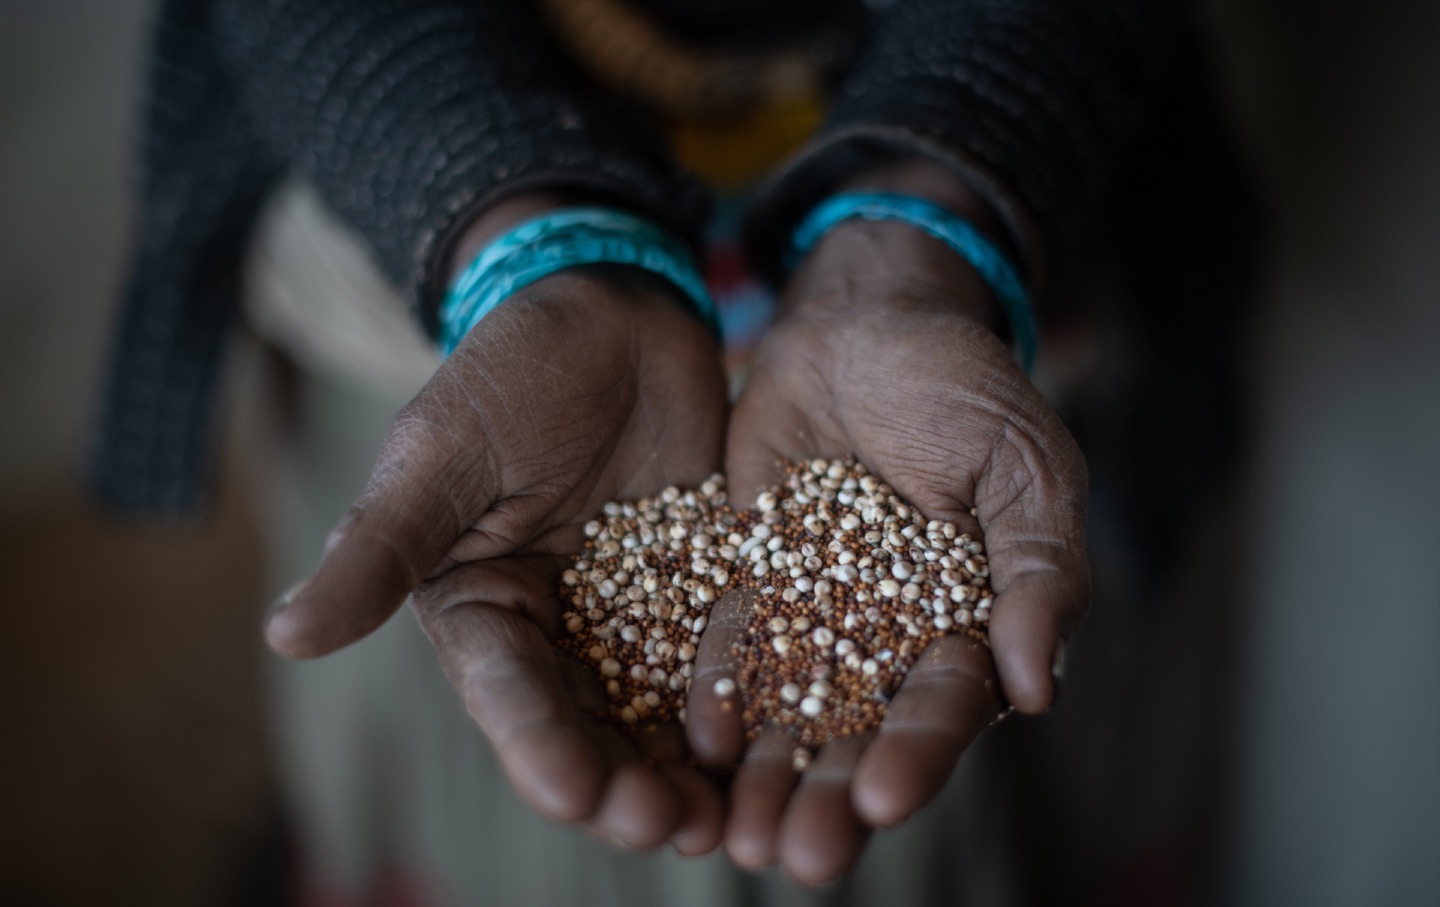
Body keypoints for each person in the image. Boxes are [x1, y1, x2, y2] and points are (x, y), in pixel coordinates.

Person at [91, 0, 1242, 902]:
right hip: (425, 247)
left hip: (1008, 251)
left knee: (986, 766)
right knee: (481, 678)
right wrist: (529, 245)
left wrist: (924, 219)